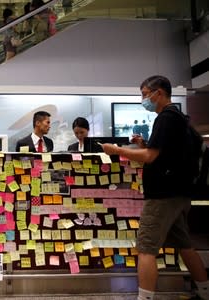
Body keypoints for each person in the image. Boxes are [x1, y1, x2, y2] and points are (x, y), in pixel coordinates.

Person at [100, 75, 209, 300]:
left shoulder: (166, 118)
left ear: (158, 92)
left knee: (146, 248)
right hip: (179, 193)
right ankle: (205, 291)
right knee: (185, 245)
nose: (143, 99)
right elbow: (164, 154)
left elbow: (150, 157)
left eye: (144, 94)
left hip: (163, 196)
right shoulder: (179, 118)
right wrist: (144, 145)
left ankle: (145, 298)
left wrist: (118, 150)